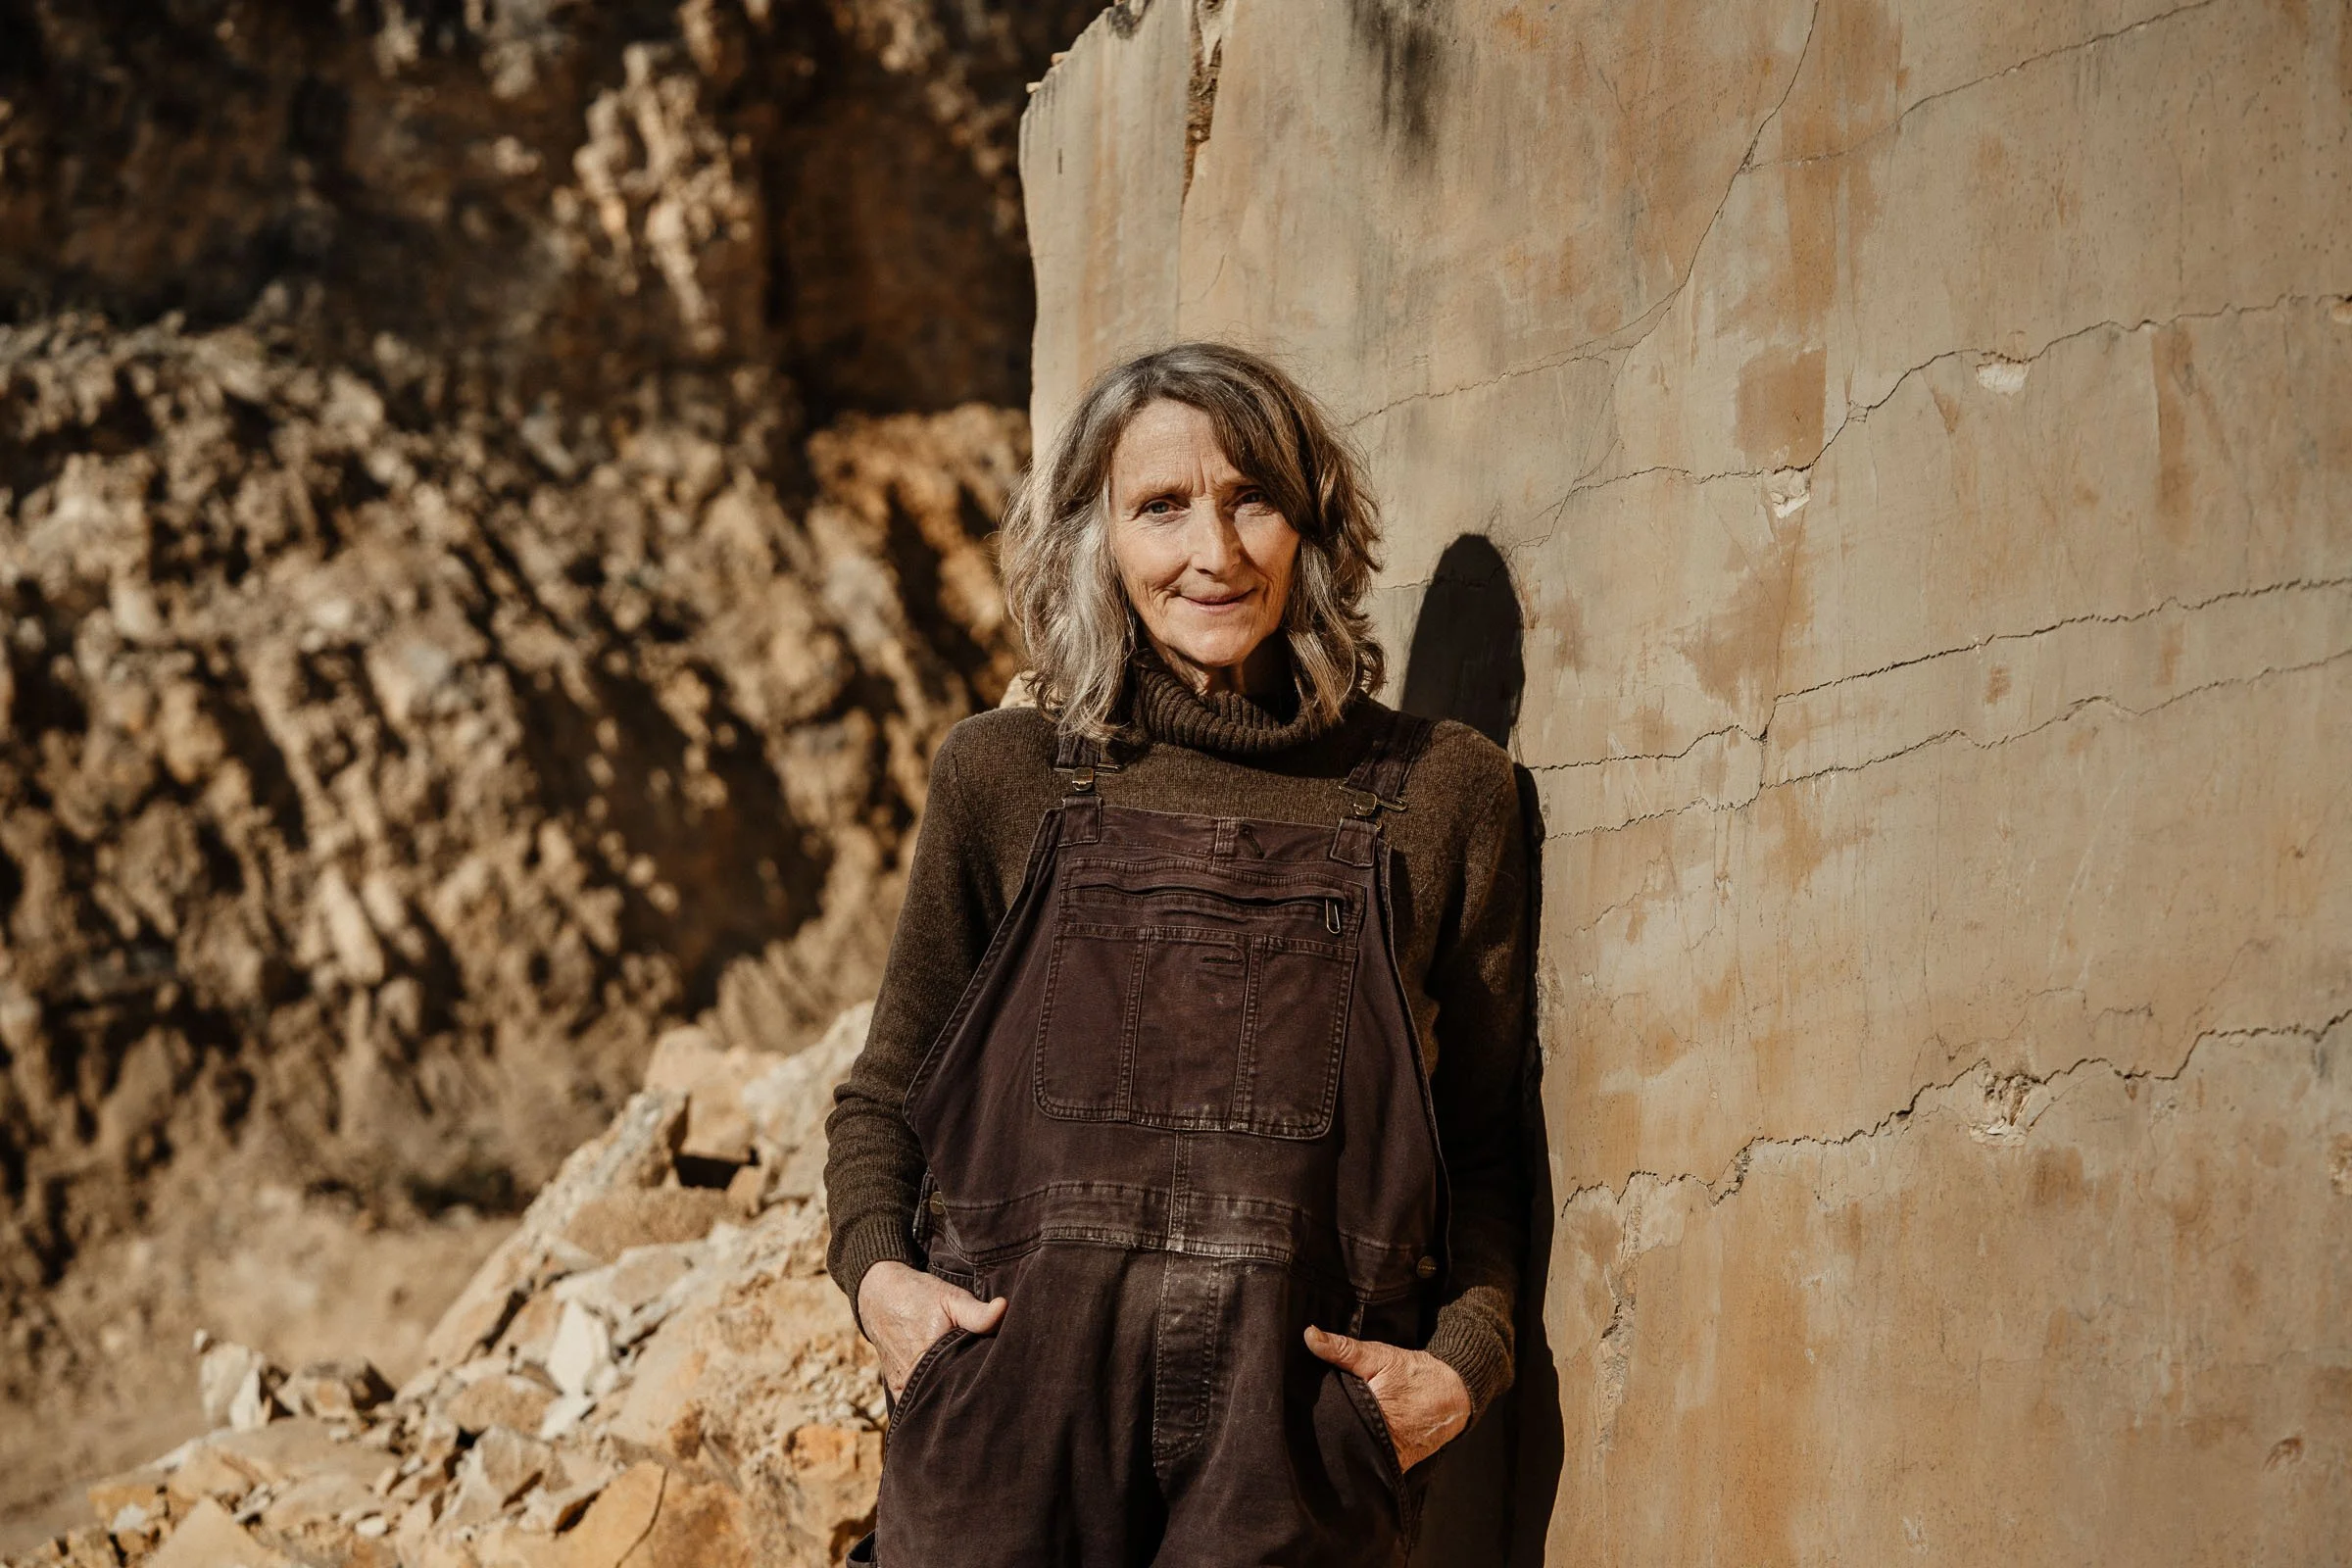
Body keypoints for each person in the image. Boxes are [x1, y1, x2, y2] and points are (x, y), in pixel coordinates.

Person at [824, 342, 1531, 1565]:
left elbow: (1485, 1147)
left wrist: (1459, 1369)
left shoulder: (1443, 795)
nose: (1215, 552)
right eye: (1162, 507)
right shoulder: (1002, 774)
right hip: (1004, 1447)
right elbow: (886, 1097)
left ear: (1313, 525)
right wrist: (882, 1285)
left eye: (1251, 498)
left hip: (1292, 1465)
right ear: (1099, 537)